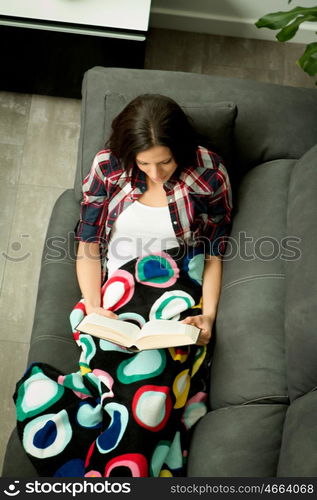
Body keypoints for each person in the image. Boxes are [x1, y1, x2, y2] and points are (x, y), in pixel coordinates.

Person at [13, 94, 232, 478]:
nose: (156, 172)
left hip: (177, 284)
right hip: (118, 288)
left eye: (165, 161)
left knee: (151, 394)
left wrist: (209, 315)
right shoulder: (107, 167)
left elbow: (215, 252)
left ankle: (116, 473)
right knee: (113, 376)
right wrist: (94, 304)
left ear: (180, 149)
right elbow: (89, 244)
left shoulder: (209, 172)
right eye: (144, 163)